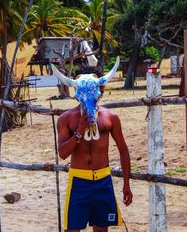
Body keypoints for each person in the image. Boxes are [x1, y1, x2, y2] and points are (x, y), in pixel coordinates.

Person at [52, 59, 133, 231]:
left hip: (103, 180)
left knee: (102, 229)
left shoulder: (110, 117)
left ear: (100, 90)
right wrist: (79, 131)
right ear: (76, 91)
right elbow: (63, 153)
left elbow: (123, 150)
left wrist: (126, 184)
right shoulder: (66, 119)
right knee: (72, 229)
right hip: (79, 181)